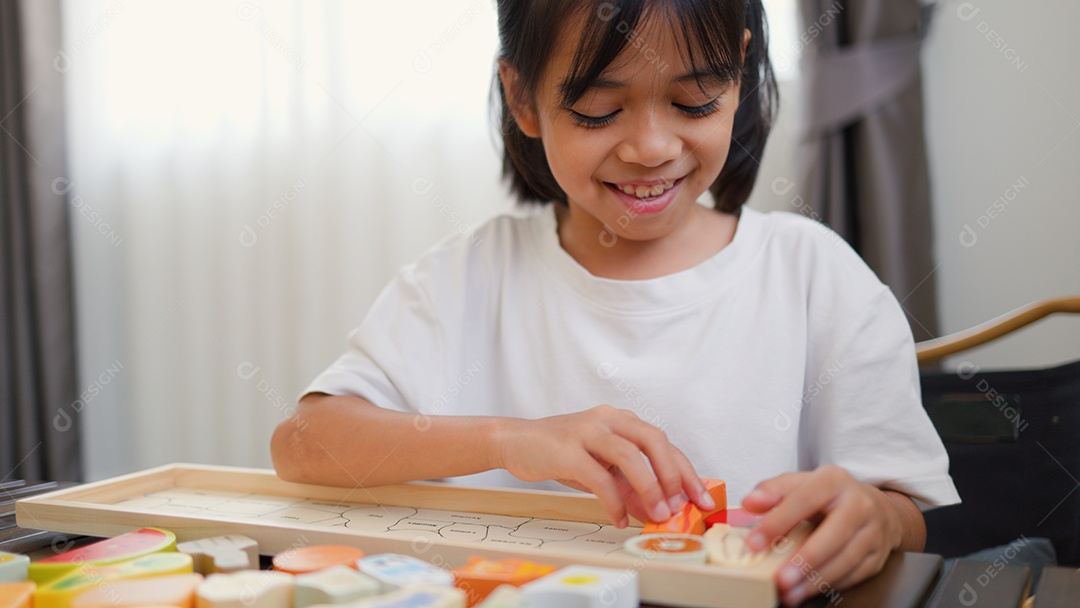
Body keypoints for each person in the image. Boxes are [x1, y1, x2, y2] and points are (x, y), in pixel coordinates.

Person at [272, 0, 960, 604]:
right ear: (522, 97)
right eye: (600, 110)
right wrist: (513, 440)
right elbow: (303, 444)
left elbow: (905, 511)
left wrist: (876, 517)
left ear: (740, 72)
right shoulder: (468, 278)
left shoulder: (815, 277)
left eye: (695, 101)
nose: (652, 147)